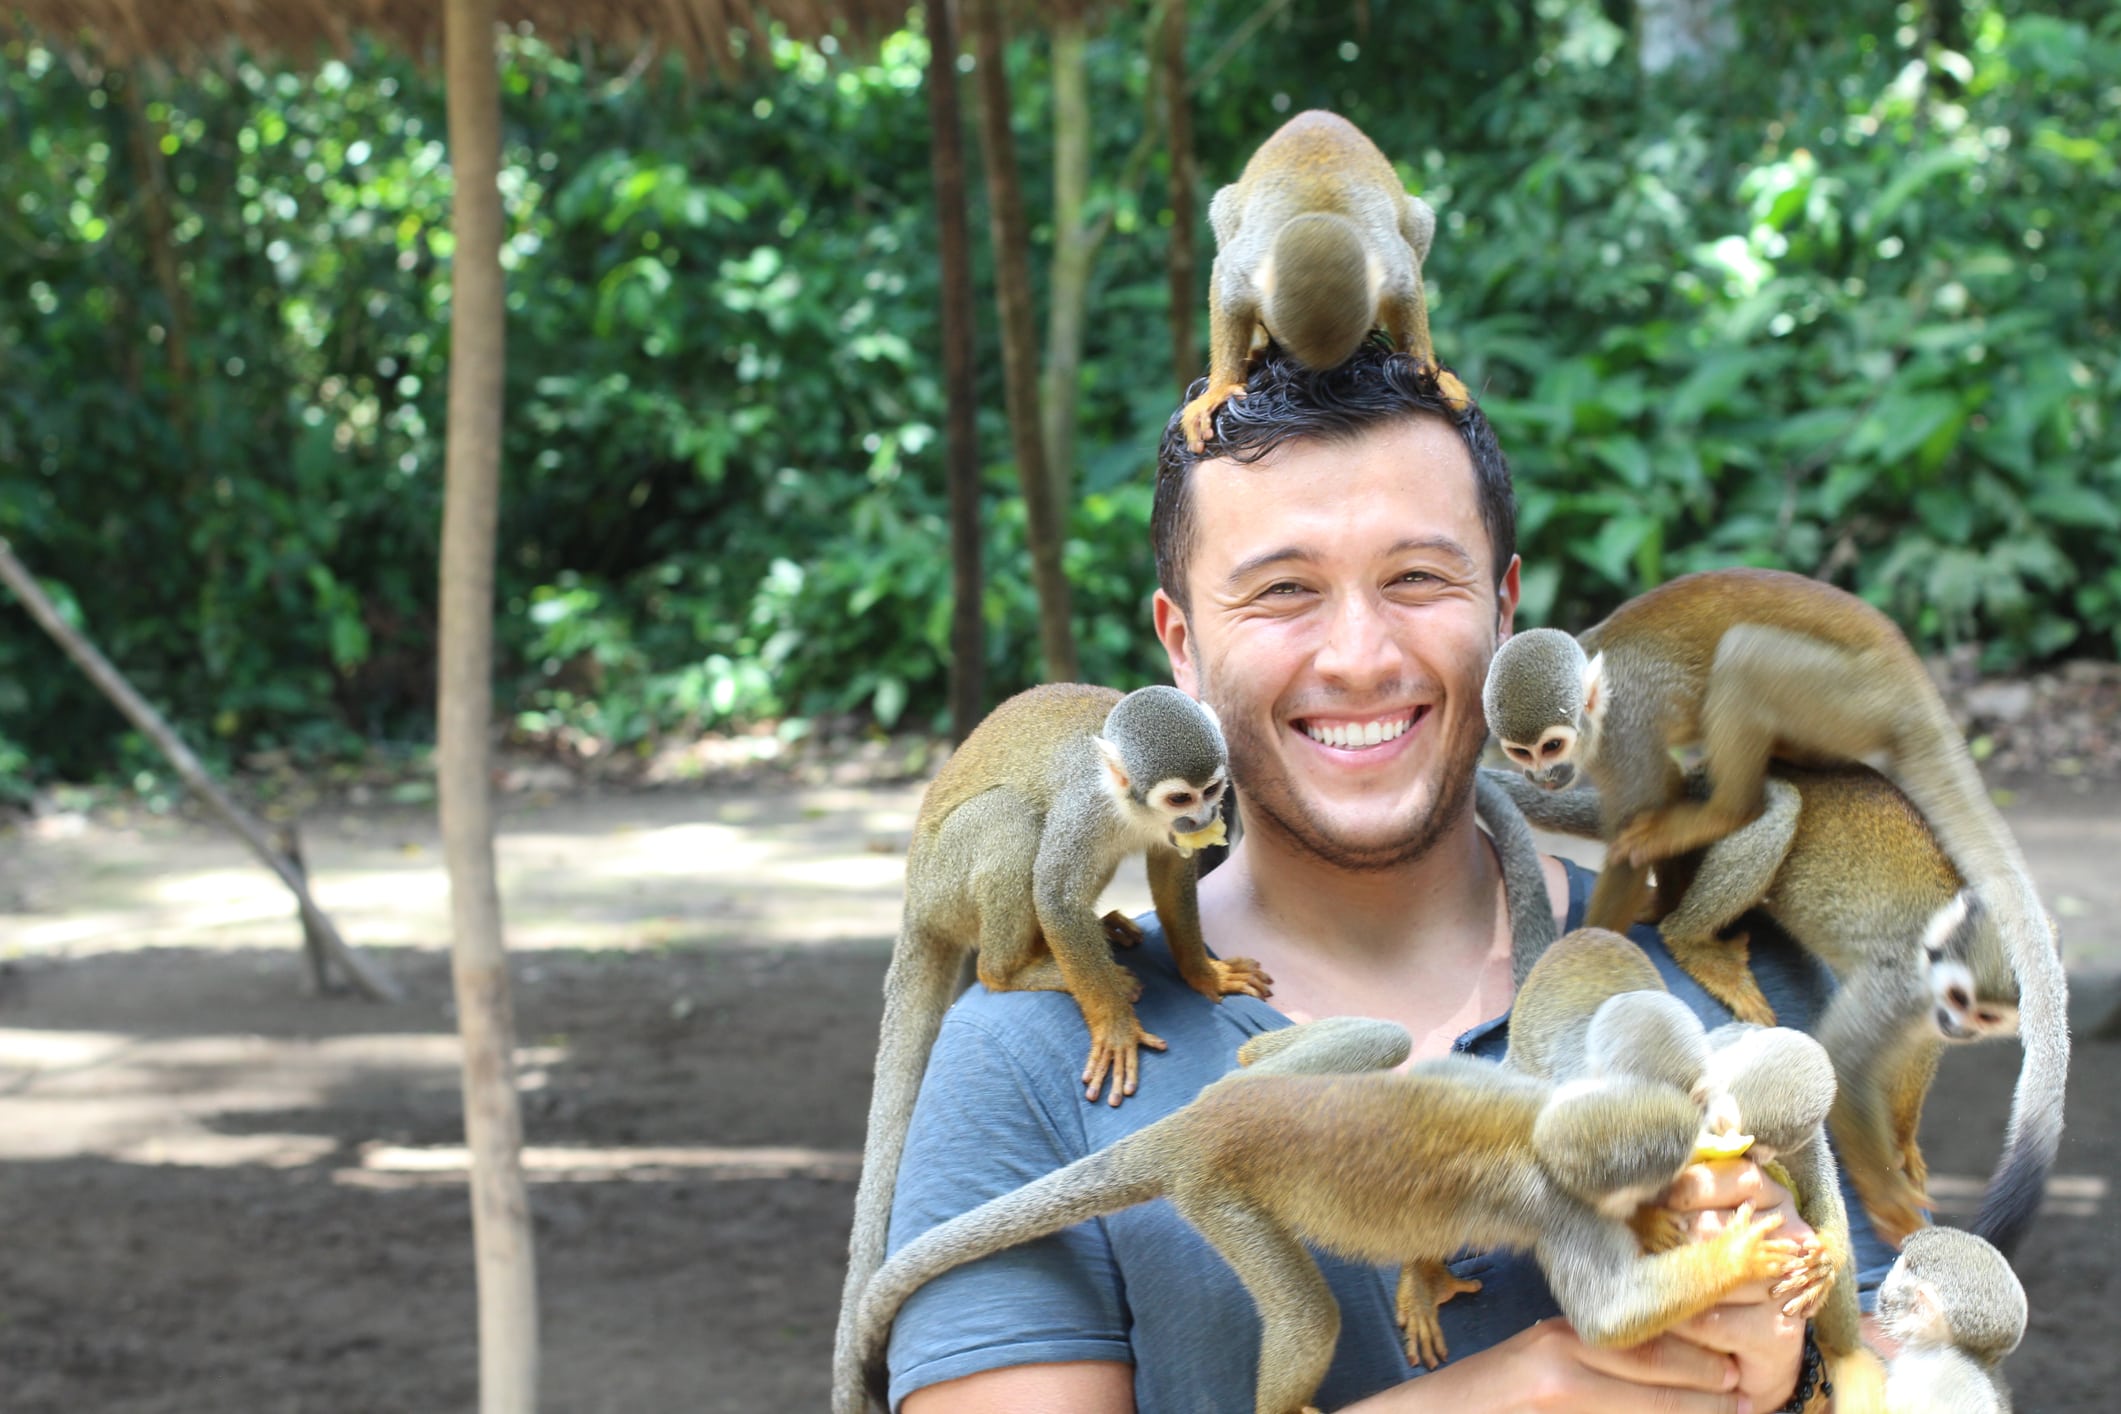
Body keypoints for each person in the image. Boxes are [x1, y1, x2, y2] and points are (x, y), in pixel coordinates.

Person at [879, 345, 1892, 1413]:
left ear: (1503, 612)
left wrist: (1795, 1372)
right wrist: (1500, 1396)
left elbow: (1903, 1344)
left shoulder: (1721, 969)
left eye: (1417, 578)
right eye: (1283, 591)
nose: (1360, 656)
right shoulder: (1028, 1058)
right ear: (1182, 646)